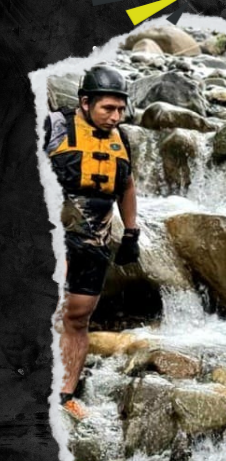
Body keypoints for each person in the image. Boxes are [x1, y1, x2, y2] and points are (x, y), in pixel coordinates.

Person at [45, 65, 140, 421]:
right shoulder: (53, 127)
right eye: (108, 109)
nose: (116, 116)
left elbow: (127, 185)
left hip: (95, 241)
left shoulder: (122, 138)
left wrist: (131, 232)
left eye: (120, 109)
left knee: (79, 315)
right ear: (85, 102)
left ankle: (65, 393)